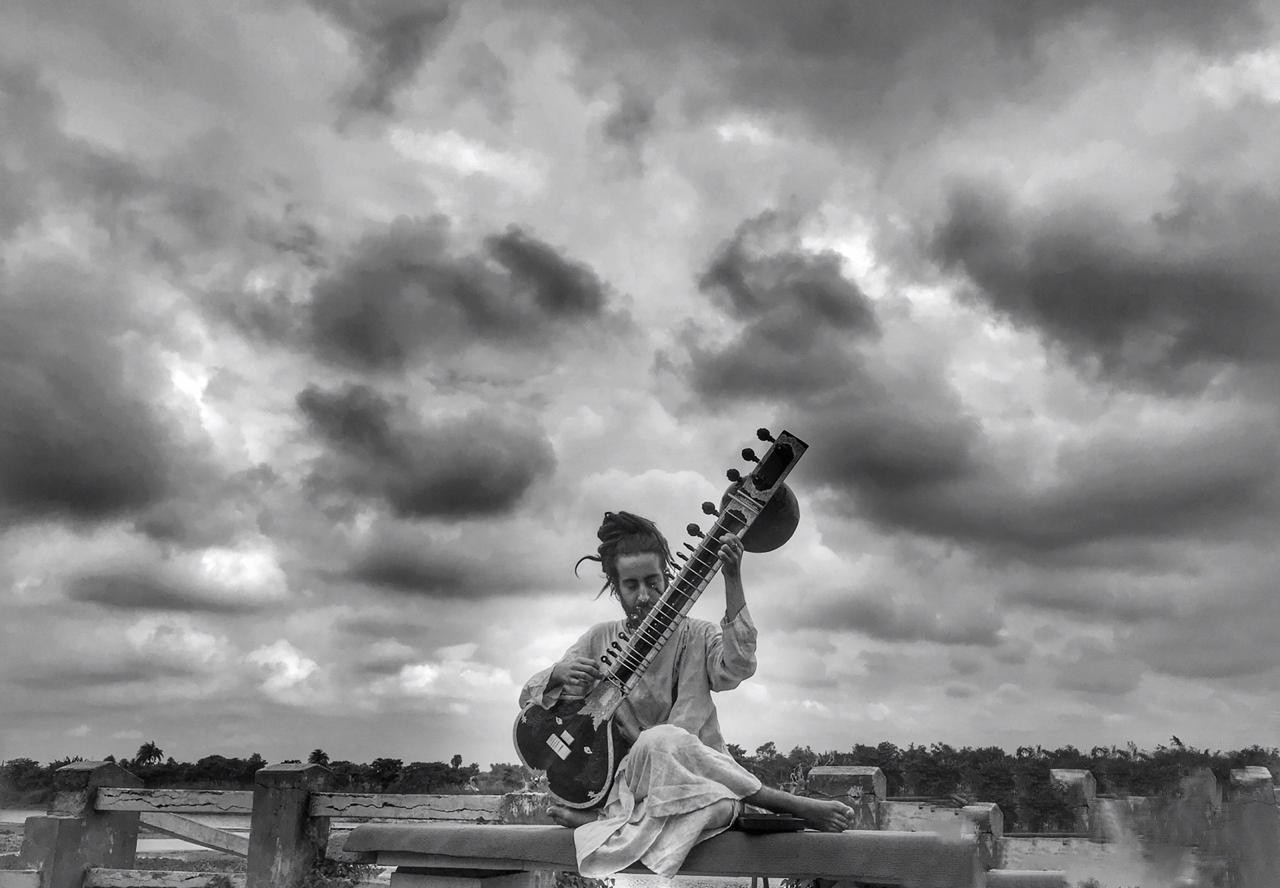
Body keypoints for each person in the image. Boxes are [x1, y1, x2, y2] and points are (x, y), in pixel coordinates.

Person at [519, 511, 854, 878]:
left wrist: (732, 579)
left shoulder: (698, 635)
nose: (644, 595)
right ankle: (782, 802)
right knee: (659, 743)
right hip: (635, 783)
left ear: (668, 577)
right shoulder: (599, 638)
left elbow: (739, 667)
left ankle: (604, 824)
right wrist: (557, 674)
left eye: (653, 582)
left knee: (717, 807)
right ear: (616, 588)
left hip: (697, 783)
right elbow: (529, 703)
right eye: (631, 585)